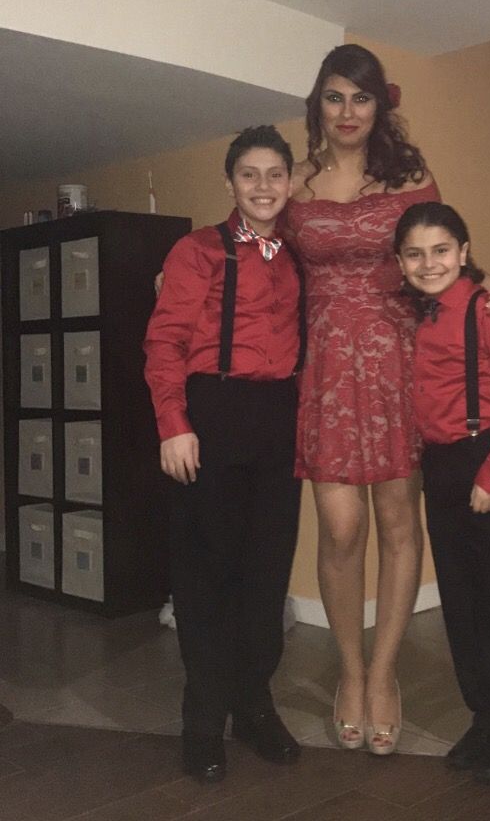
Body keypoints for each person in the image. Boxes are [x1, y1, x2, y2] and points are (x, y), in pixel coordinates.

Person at [283, 43, 490, 754]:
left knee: (395, 522)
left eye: (361, 98)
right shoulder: (296, 184)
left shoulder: (410, 176)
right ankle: (347, 670)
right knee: (338, 530)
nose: (348, 111)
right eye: (334, 97)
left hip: (398, 364)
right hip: (325, 370)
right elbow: (248, 244)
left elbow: (442, 255)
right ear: (317, 106)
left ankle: (382, 674)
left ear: (378, 107)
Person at [144, 126, 304, 783]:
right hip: (210, 412)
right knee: (206, 576)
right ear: (231, 182)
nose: (263, 186)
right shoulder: (195, 252)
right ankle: (202, 719)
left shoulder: (300, 256)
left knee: (265, 574)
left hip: (278, 418)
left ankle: (253, 705)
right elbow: (164, 342)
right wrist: (173, 423)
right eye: (249, 174)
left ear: (290, 182)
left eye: (274, 174)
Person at [393, 200, 490, 784]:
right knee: (461, 601)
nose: (428, 263)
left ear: (463, 251)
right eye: (415, 253)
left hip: (489, 459)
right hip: (442, 466)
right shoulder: (416, 315)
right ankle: (484, 719)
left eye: (440, 250)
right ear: (401, 262)